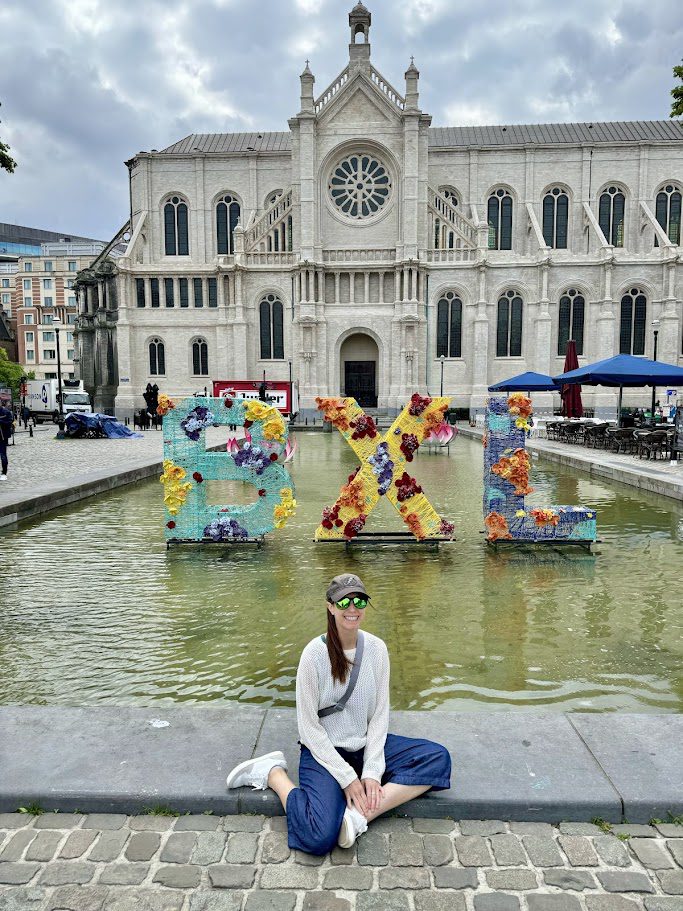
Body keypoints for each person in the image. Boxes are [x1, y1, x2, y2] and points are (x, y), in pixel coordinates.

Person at [225, 573, 452, 855]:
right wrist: (347, 778)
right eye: (344, 601)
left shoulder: (377, 650)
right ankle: (273, 774)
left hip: (364, 744)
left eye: (359, 600)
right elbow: (309, 728)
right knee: (318, 837)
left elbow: (380, 715)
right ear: (330, 606)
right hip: (325, 752)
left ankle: (360, 816)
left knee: (437, 759)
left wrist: (371, 772)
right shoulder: (313, 655)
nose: (352, 608)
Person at [0, 398, 14, 480]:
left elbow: (9, 422)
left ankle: (4, 472)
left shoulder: (6, 412)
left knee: (3, 455)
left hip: (2, 437)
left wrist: (1, 422)